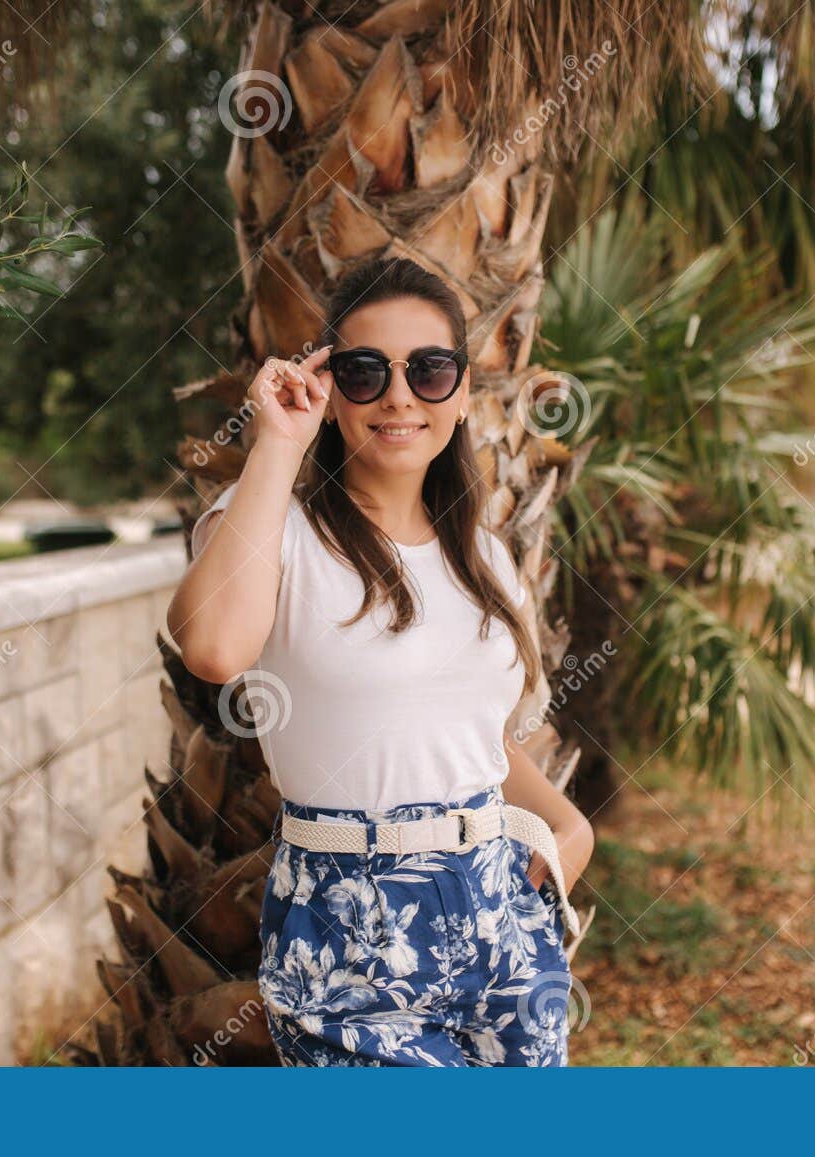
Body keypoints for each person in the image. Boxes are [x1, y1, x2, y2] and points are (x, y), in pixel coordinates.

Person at [166, 256, 594, 1067]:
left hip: (501, 913)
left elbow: (468, 740)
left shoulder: (486, 560)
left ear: (462, 393)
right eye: (365, 372)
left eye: (430, 369)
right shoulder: (271, 527)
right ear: (330, 392)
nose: (400, 396)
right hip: (346, 921)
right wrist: (278, 443)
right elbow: (215, 650)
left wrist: (570, 829)